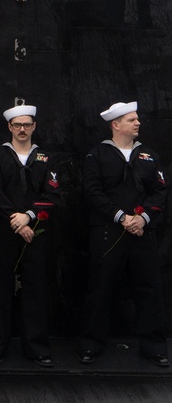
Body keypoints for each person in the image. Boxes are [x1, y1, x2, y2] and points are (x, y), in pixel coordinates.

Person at [78, 101, 168, 367]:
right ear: (115, 125)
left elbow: (160, 192)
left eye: (137, 119)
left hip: (142, 232)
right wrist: (120, 216)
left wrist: (143, 218)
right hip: (107, 232)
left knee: (149, 289)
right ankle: (91, 344)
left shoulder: (149, 156)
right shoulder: (96, 155)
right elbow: (92, 192)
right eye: (131, 120)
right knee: (100, 288)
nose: (138, 123)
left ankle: (154, 346)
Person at [0, 105, 61, 368]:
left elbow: (52, 195)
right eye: (18, 125)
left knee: (35, 289)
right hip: (6, 230)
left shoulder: (45, 159)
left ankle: (37, 347)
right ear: (10, 127)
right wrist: (16, 221)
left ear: (34, 126)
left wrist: (29, 216)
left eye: (27, 125)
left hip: (35, 231)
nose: (22, 129)